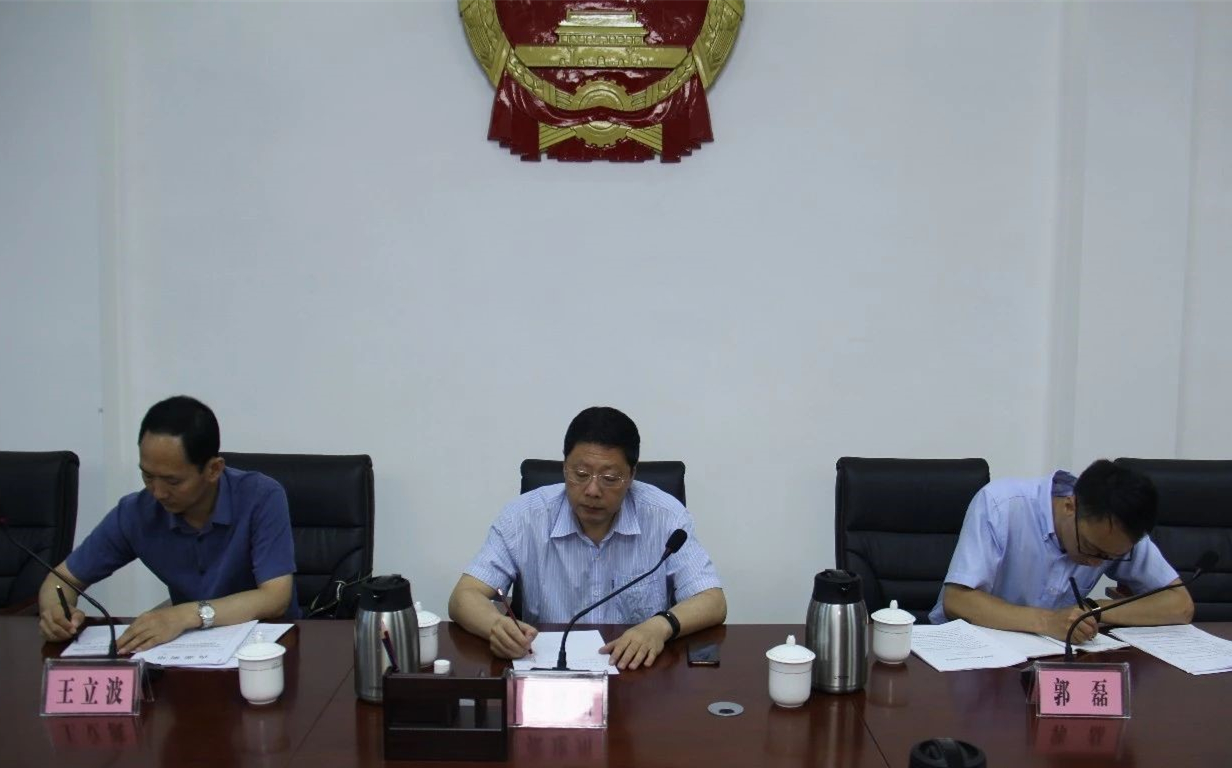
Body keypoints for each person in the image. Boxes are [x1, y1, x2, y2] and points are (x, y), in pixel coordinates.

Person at [449, 406, 726, 669]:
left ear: (631, 475)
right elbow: (464, 595)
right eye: (580, 474)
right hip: (549, 672)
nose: (592, 490)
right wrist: (496, 626)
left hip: (637, 672)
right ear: (564, 468)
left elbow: (712, 600)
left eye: (610, 478)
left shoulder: (666, 517)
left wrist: (660, 625)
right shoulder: (522, 517)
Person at [38, 395, 299, 651]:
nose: (158, 492)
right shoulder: (136, 512)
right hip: (189, 653)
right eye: (148, 476)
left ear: (213, 469)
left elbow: (275, 597)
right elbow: (61, 580)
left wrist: (184, 615)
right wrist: (55, 611)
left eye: (173, 481)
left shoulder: (260, 497)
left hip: (267, 647)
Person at [929, 459, 1193, 641]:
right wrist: (1048, 622)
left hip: (1050, 658)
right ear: (1070, 506)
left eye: (1111, 558)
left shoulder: (1119, 530)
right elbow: (958, 601)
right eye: (1091, 548)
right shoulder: (1002, 504)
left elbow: (1180, 604)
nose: (1096, 563)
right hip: (972, 652)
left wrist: (1095, 609)